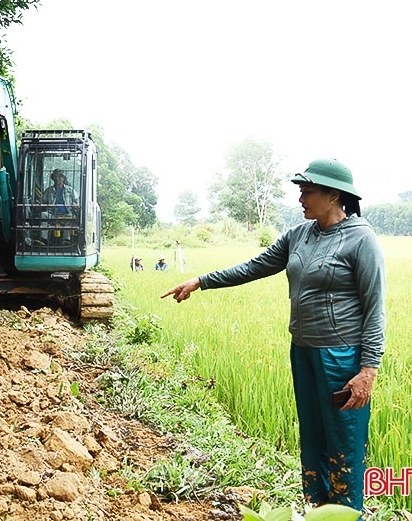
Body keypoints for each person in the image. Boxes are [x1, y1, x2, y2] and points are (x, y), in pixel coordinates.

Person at [160, 158, 385, 513]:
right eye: (300, 191)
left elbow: (375, 309)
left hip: (342, 359)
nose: (300, 199)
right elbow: (254, 267)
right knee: (313, 441)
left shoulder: (361, 240)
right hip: (304, 353)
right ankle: (317, 513)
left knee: (344, 443)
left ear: (333, 195)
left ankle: (346, 516)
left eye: (307, 191)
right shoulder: (299, 236)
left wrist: (368, 370)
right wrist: (201, 281)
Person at [41, 168, 79, 244]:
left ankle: (66, 240)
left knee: (70, 218)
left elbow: (77, 201)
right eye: (56, 177)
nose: (57, 179)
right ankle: (43, 240)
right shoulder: (49, 191)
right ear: (53, 178)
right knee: (43, 215)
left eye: (60, 176)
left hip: (66, 214)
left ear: (63, 178)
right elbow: (43, 202)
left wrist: (75, 204)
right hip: (52, 214)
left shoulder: (70, 190)